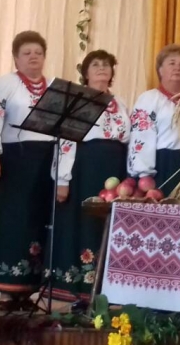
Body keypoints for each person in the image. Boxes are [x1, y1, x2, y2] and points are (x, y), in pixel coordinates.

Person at [0, 31, 65, 312]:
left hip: (44, 163)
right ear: (15, 58)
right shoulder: (4, 84)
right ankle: (5, 292)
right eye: (27, 52)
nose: (34, 57)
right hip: (12, 163)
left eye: (38, 52)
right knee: (10, 225)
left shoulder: (55, 88)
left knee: (36, 224)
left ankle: (28, 290)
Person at [49, 50, 129, 304]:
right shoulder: (78, 101)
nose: (102, 68)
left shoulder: (120, 103)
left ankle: (106, 288)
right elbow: (66, 141)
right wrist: (62, 179)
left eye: (106, 65)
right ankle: (79, 289)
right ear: (85, 72)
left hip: (115, 170)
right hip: (86, 168)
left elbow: (129, 141)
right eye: (95, 65)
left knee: (109, 226)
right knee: (84, 222)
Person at [128, 44, 180, 196]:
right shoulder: (149, 99)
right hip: (163, 164)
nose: (177, 68)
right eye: (172, 63)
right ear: (160, 70)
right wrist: (144, 174)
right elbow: (141, 135)